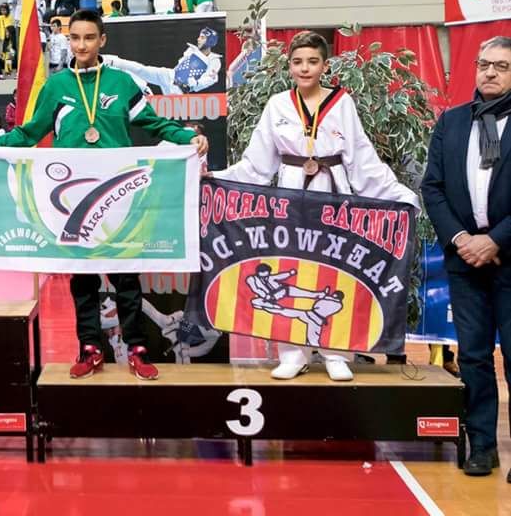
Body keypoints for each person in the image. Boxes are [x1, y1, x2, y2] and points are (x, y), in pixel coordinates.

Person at [0, 10, 209, 381]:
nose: (81, 45)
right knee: (83, 280)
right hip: (73, 199)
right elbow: (30, 132)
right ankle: (89, 348)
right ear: (69, 41)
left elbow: (154, 123)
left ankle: (136, 349)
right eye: (75, 38)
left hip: (119, 196)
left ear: (102, 41)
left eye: (89, 38)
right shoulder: (56, 86)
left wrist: (187, 137)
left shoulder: (122, 83)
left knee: (126, 278)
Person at [213, 31, 420, 381]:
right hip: (291, 196)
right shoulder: (277, 104)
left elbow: (362, 160)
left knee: (334, 268)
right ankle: (293, 352)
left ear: (325, 64)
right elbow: (257, 164)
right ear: (288, 66)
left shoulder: (342, 103)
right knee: (291, 263)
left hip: (334, 195)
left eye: (312, 61)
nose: (304, 68)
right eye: (297, 62)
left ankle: (336, 353)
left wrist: (398, 194)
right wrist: (216, 178)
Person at [421, 36, 511, 480]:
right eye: (483, 64)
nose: (490, 73)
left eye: (501, 66)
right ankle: (482, 446)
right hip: (464, 262)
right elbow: (431, 187)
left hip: (509, 259)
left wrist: (495, 239)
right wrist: (461, 239)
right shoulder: (452, 121)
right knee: (473, 357)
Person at [107, 27, 222, 95]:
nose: (198, 39)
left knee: (162, 116)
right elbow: (181, 66)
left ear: (210, 41)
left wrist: (195, 84)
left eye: (202, 37)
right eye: (199, 36)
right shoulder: (191, 50)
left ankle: (147, 94)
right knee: (141, 69)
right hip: (170, 75)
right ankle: (113, 61)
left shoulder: (214, 60)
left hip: (178, 91)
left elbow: (211, 78)